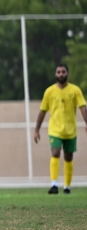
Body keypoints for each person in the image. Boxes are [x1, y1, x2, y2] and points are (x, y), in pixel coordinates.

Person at [33, 64, 87, 194]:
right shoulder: (49, 91)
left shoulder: (75, 90)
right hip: (55, 130)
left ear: (67, 73)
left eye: (63, 72)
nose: (61, 74)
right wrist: (36, 130)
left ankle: (67, 187)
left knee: (68, 157)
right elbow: (42, 111)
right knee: (55, 153)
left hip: (70, 130)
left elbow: (82, 107)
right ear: (55, 74)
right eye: (58, 72)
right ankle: (54, 185)